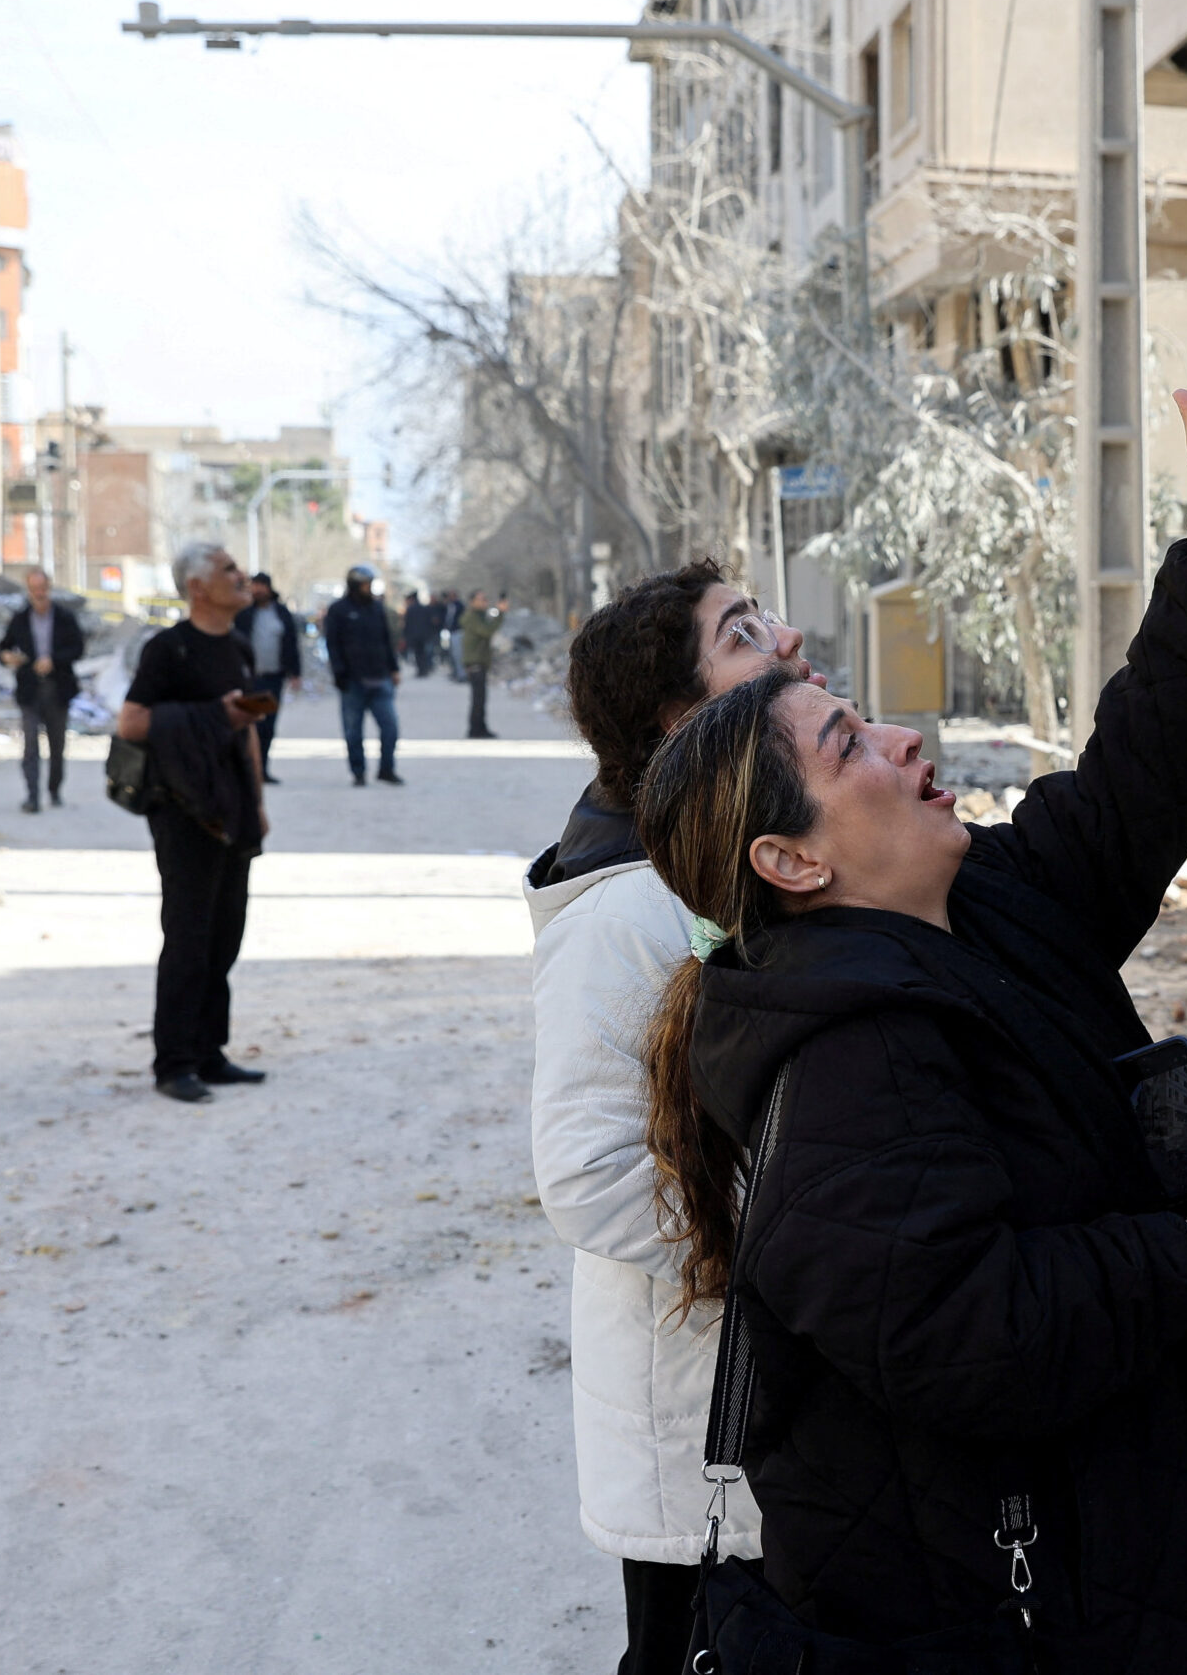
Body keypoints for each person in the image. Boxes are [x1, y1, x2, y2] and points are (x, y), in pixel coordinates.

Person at [637, 323, 1187, 1672]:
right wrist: (1184, 1262)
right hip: (1018, 1605)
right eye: (850, 743)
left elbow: (1144, 771)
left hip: (1107, 1557)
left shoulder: (983, 904)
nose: (905, 736)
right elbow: (962, 1330)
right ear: (793, 858)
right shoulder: (852, 1058)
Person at [525, 563, 825, 1675]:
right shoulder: (630, 913)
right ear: (679, 716)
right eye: (745, 634)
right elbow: (591, 1170)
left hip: (783, 1418)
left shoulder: (731, 863)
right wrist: (813, 1240)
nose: (790, 637)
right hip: (705, 1427)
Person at [115, 542, 271, 1105]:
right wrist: (213, 716)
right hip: (182, 809)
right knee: (188, 935)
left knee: (226, 931)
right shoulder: (168, 650)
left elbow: (246, 729)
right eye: (230, 569)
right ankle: (174, 1061)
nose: (242, 576)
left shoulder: (239, 647)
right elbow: (131, 723)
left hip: (231, 807)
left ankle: (210, 1051)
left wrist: (256, 801)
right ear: (198, 586)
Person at [0, 567, 85, 813]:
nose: (39, 594)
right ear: (28, 590)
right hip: (30, 691)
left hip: (58, 690)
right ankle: (32, 796)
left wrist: (53, 660)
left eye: (42, 589)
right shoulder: (20, 619)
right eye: (34, 589)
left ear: (49, 588)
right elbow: (3, 649)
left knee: (57, 746)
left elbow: (78, 648)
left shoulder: (65, 618)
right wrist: (7, 657)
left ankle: (54, 790)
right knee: (31, 747)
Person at [322, 565, 403, 787]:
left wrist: (393, 668)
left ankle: (387, 769)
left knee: (390, 727)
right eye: (366, 584)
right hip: (353, 682)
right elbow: (333, 645)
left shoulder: (377, 609)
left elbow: (386, 641)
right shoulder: (338, 610)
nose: (369, 588)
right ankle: (358, 772)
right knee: (353, 731)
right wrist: (339, 673)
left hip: (380, 679)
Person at [234, 572, 304, 784]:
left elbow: (291, 643)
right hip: (250, 679)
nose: (258, 590)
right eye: (254, 586)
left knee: (268, 725)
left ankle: (262, 768)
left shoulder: (281, 613)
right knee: (249, 724)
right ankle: (247, 770)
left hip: (274, 677)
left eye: (261, 586)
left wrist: (295, 673)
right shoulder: (244, 614)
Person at [460, 589, 508, 740]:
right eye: (481, 599)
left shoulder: (479, 616)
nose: (484, 602)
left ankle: (480, 726)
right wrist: (500, 613)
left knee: (480, 698)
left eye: (485, 599)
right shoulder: (472, 617)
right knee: (478, 698)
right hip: (475, 662)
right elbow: (487, 631)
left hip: (479, 661)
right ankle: (475, 729)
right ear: (472, 601)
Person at [402, 587, 437, 678]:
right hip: (424, 635)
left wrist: (406, 635)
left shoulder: (410, 609)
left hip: (415, 635)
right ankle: (424, 669)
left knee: (418, 653)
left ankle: (421, 670)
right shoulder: (424, 608)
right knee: (422, 653)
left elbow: (407, 623)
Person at [441, 591, 468, 683]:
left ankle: (462, 675)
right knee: (452, 654)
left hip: (458, 632)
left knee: (458, 654)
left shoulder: (459, 606)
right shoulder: (449, 606)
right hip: (451, 632)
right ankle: (456, 673)